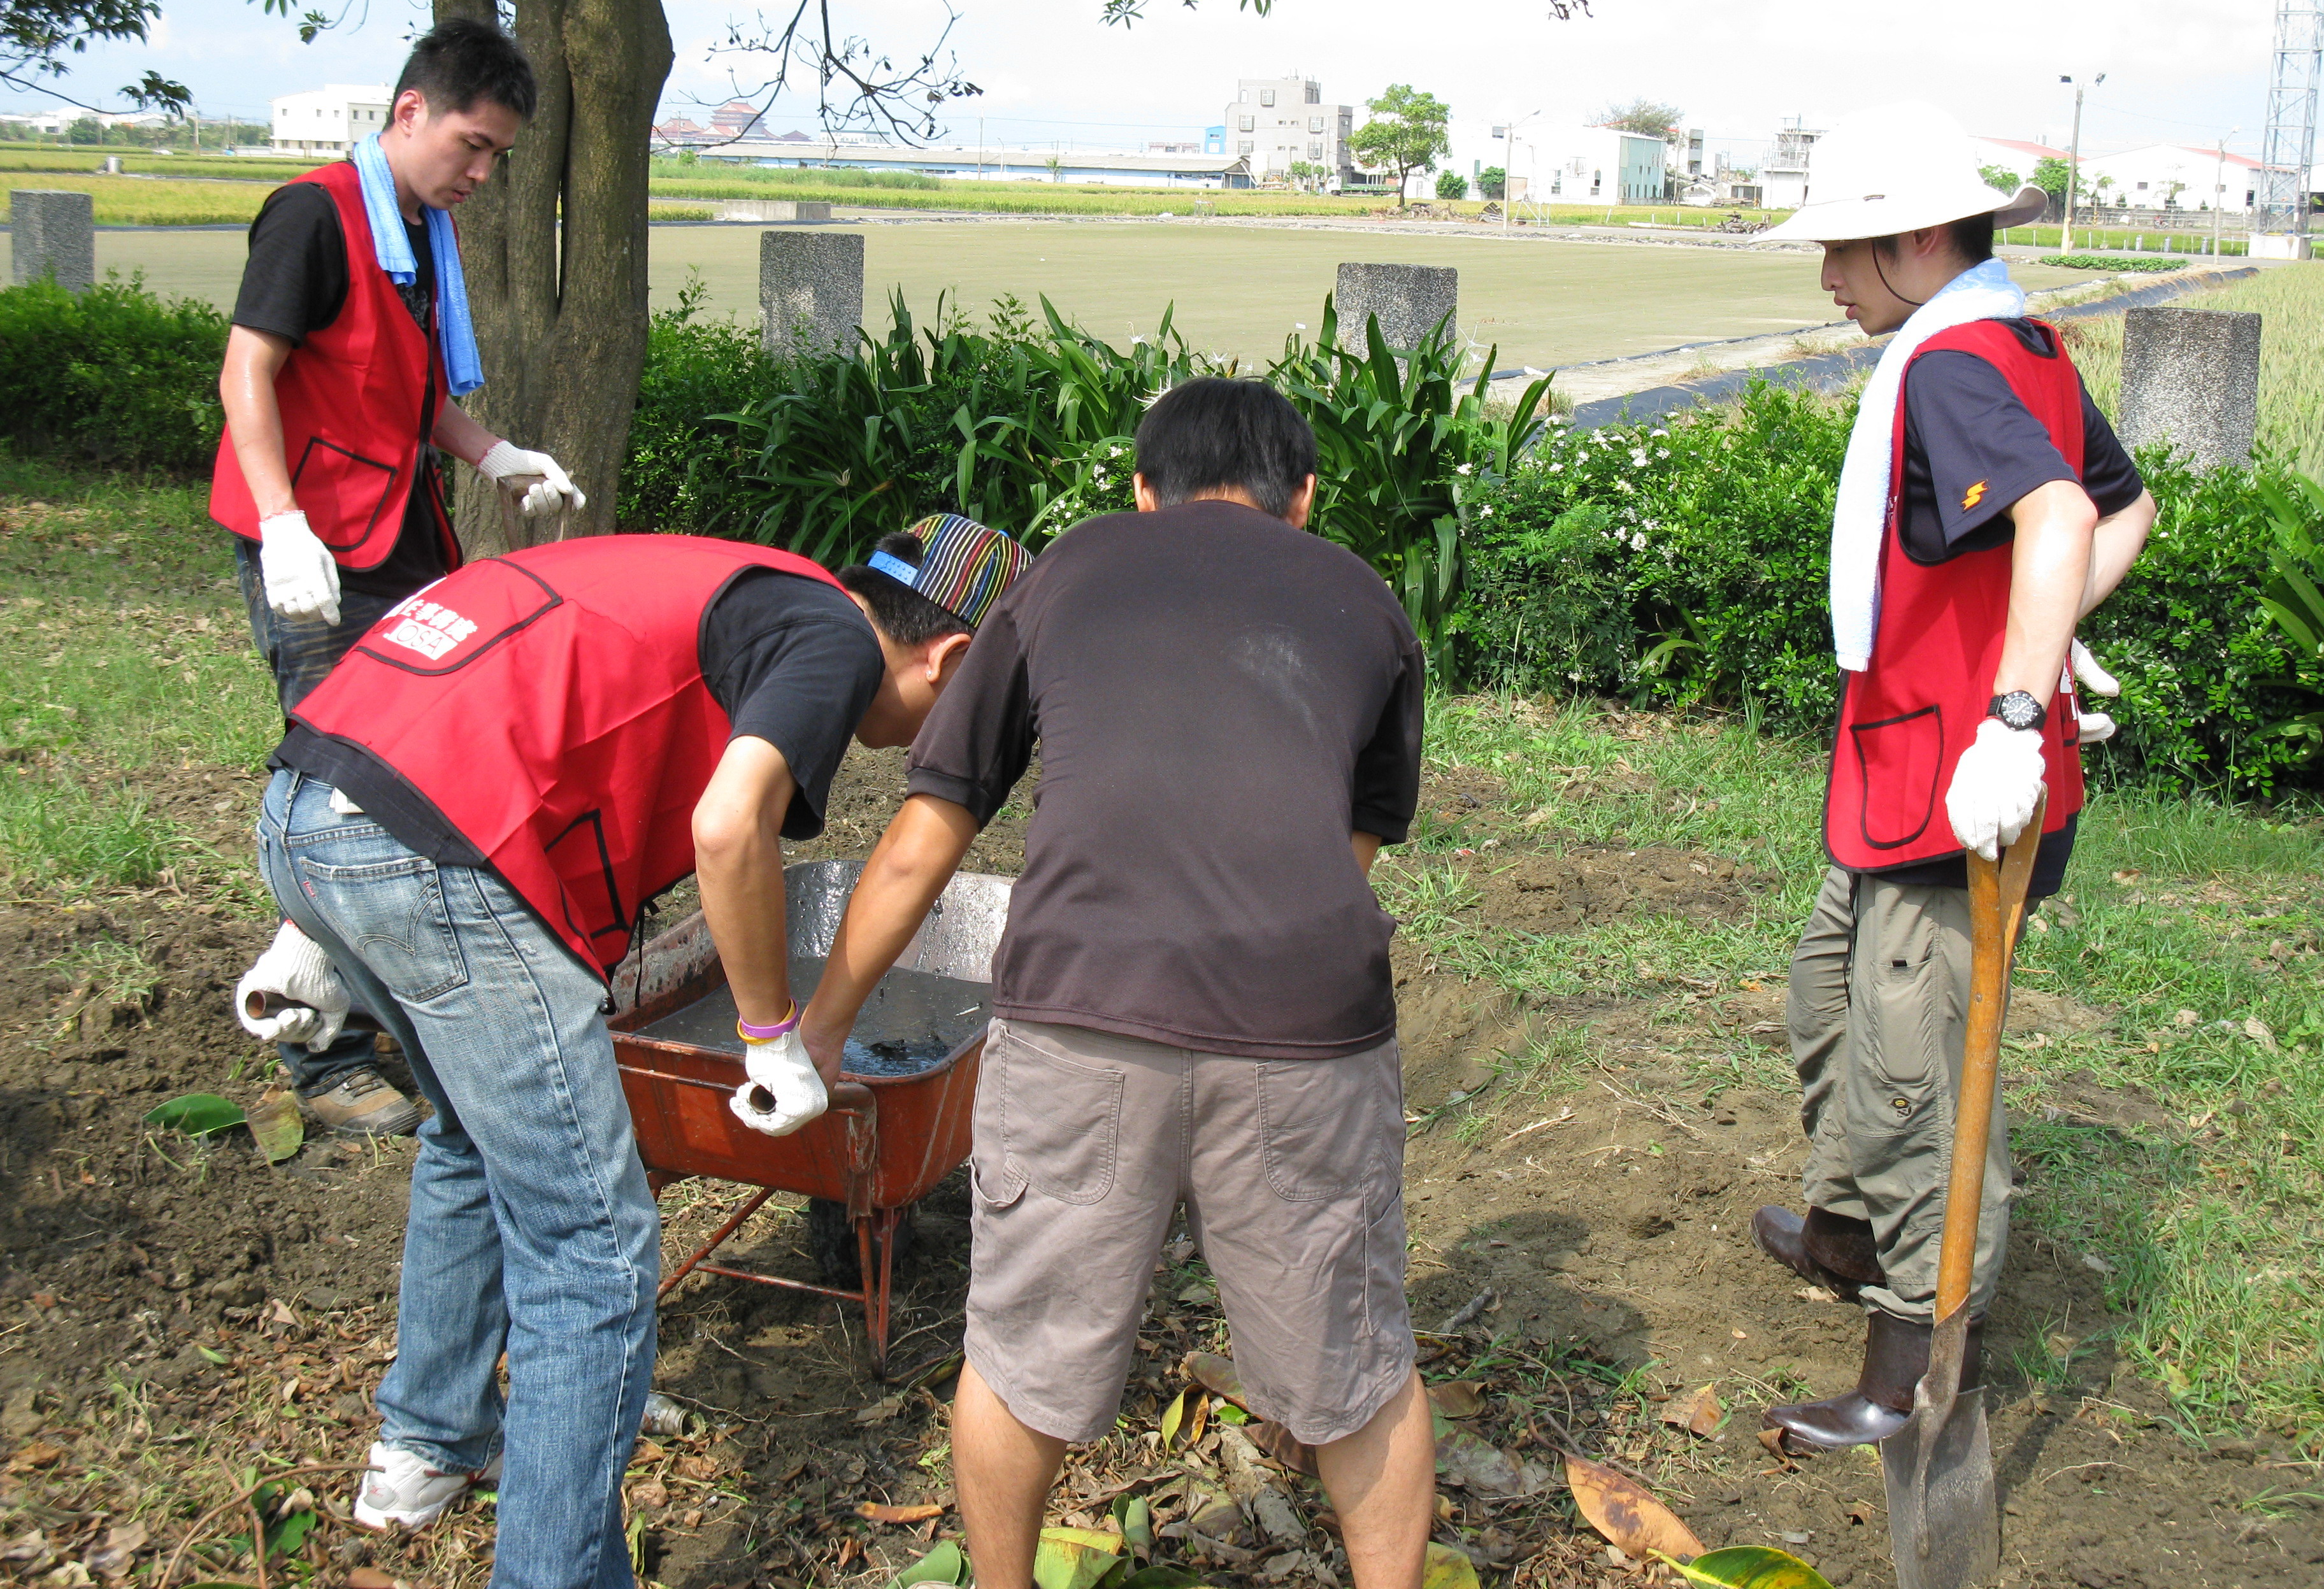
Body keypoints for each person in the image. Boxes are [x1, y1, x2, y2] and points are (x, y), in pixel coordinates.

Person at [236, 518, 1029, 1588]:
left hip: (313, 801)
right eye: (962, 710)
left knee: (471, 1140)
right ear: (954, 657)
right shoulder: (833, 641)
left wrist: (324, 910)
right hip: (427, 851)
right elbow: (727, 826)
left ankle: (426, 1446)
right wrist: (769, 1036)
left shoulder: (739, 581)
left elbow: (484, 679)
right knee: (595, 1248)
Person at [794, 379, 1437, 1589]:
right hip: (1305, 1028)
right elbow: (1348, 848)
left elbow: (932, 831)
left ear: (1144, 491)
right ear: (1303, 496)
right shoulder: (1367, 601)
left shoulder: (1071, 571)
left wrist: (817, 1029)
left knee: (1022, 1353)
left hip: (1084, 1015)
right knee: (1356, 1372)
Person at [1745, 105, 2156, 1449]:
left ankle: (1910, 1368)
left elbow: (2061, 512)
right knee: (1827, 985)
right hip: (1914, 763)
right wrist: (2038, 626)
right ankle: (1855, 1231)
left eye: (1849, 253)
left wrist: (2015, 699)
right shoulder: (2017, 338)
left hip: (1957, 783)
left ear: (1923, 242)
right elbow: (2122, 499)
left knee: (1913, 1069)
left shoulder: (1957, 364)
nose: (1830, 280)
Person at [212, 15, 584, 1139]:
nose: (481, 172)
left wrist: (495, 455)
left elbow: (403, 391)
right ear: (410, 111)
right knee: (343, 801)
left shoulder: (415, 232)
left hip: (399, 541)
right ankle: (322, 1059)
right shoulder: (318, 215)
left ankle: (383, 1015)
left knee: (421, 786)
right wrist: (281, 525)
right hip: (317, 557)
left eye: (498, 158)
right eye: (471, 145)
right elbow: (250, 372)